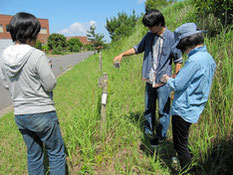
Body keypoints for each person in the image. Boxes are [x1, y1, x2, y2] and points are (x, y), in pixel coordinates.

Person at [0, 12, 66, 175]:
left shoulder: (3, 56)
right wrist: (48, 69)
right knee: (56, 153)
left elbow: (6, 85)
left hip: (21, 114)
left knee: (34, 155)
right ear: (31, 33)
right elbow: (50, 84)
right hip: (42, 112)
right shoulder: (37, 55)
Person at [113, 9, 183, 147]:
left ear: (160, 23)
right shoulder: (149, 35)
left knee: (163, 111)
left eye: (151, 26)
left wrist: (175, 79)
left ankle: (162, 136)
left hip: (164, 82)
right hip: (149, 79)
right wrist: (122, 54)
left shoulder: (172, 38)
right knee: (148, 108)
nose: (149, 28)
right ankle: (148, 132)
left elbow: (178, 60)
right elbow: (137, 48)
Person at [161, 23, 216, 173]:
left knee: (181, 145)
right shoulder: (208, 58)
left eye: (182, 46)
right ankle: (187, 165)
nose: (182, 51)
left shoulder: (194, 61)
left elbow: (178, 85)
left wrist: (167, 79)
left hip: (183, 108)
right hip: (195, 106)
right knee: (183, 140)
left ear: (186, 43)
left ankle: (188, 171)